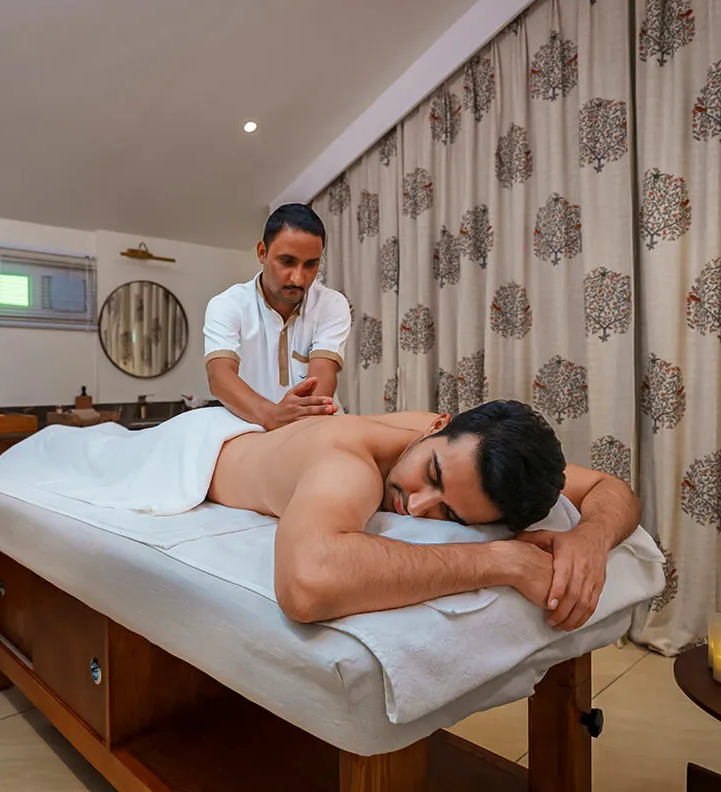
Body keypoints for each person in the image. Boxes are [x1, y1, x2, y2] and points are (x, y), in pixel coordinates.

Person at [206, 400, 642, 630]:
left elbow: (611, 487)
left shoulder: (467, 452)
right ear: (435, 426)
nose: (415, 506)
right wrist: (502, 560)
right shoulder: (348, 465)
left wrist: (591, 538)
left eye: (449, 513)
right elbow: (305, 584)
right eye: (432, 474)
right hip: (205, 444)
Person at [204, 203, 352, 430]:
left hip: (315, 427)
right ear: (262, 252)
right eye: (287, 261)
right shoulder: (227, 305)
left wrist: (292, 428)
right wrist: (272, 416)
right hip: (254, 427)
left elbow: (322, 378)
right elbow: (219, 377)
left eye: (311, 265)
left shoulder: (331, 304)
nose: (298, 279)